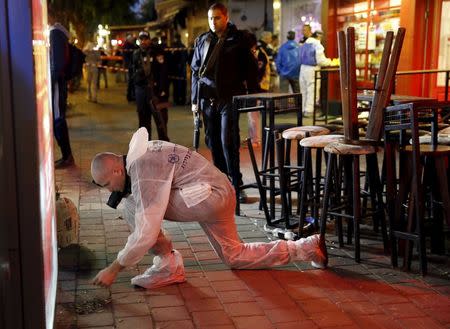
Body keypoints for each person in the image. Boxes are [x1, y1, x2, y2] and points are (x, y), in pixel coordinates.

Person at [90, 128, 328, 289]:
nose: (111, 191)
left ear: (117, 170)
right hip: (218, 193)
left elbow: (146, 231)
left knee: (135, 207)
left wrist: (115, 268)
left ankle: (168, 266)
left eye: (107, 184)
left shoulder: (142, 170)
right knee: (234, 256)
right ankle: (305, 248)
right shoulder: (143, 151)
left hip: (208, 197)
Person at [190, 3, 259, 201]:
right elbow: (195, 72)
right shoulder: (202, 40)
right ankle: (221, 183)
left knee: (228, 141)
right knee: (213, 142)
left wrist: (252, 95)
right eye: (210, 18)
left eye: (217, 18)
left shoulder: (239, 39)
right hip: (207, 99)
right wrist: (194, 100)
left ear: (226, 17)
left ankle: (236, 185)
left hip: (230, 98)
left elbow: (251, 70)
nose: (213, 22)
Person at [130, 31, 169, 141]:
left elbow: (163, 72)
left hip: (156, 92)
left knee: (161, 122)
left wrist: (163, 90)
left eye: (145, 39)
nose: (143, 41)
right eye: (141, 39)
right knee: (143, 124)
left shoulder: (158, 52)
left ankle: (164, 146)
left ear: (149, 40)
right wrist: (132, 92)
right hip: (141, 92)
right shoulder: (136, 54)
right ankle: (145, 147)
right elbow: (131, 73)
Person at [48, 7, 74, 169]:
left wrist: (49, 80)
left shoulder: (55, 34)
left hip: (56, 84)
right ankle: (66, 155)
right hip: (57, 83)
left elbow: (57, 64)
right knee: (57, 119)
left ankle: (67, 156)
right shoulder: (57, 33)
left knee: (58, 119)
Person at [299, 31, 332, 117]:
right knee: (312, 90)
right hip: (312, 69)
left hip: (302, 68)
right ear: (319, 37)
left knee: (304, 90)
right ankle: (309, 111)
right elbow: (320, 61)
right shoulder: (317, 45)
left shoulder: (304, 44)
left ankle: (303, 109)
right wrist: (329, 61)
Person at [246, 32, 271, 147]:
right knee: (251, 114)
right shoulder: (257, 52)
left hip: (258, 88)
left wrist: (252, 85)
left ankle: (255, 140)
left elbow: (259, 72)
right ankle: (252, 138)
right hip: (256, 87)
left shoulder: (259, 53)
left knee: (254, 114)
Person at [152, 48, 170, 135]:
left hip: (162, 96)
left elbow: (165, 78)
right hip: (155, 94)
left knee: (163, 119)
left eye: (161, 56)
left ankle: (164, 137)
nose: (160, 58)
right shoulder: (155, 65)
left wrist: (163, 90)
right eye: (158, 56)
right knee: (160, 119)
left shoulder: (164, 65)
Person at [169, 34, 188, 105]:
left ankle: (177, 99)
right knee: (181, 85)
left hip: (176, 69)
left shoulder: (174, 47)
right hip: (181, 69)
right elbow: (185, 58)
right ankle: (182, 99)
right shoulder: (182, 46)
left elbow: (171, 58)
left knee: (177, 85)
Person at [123, 34, 139, 102]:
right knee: (131, 81)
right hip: (131, 65)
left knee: (132, 81)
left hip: (131, 65)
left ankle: (131, 95)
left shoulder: (128, 45)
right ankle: (130, 96)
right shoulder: (128, 46)